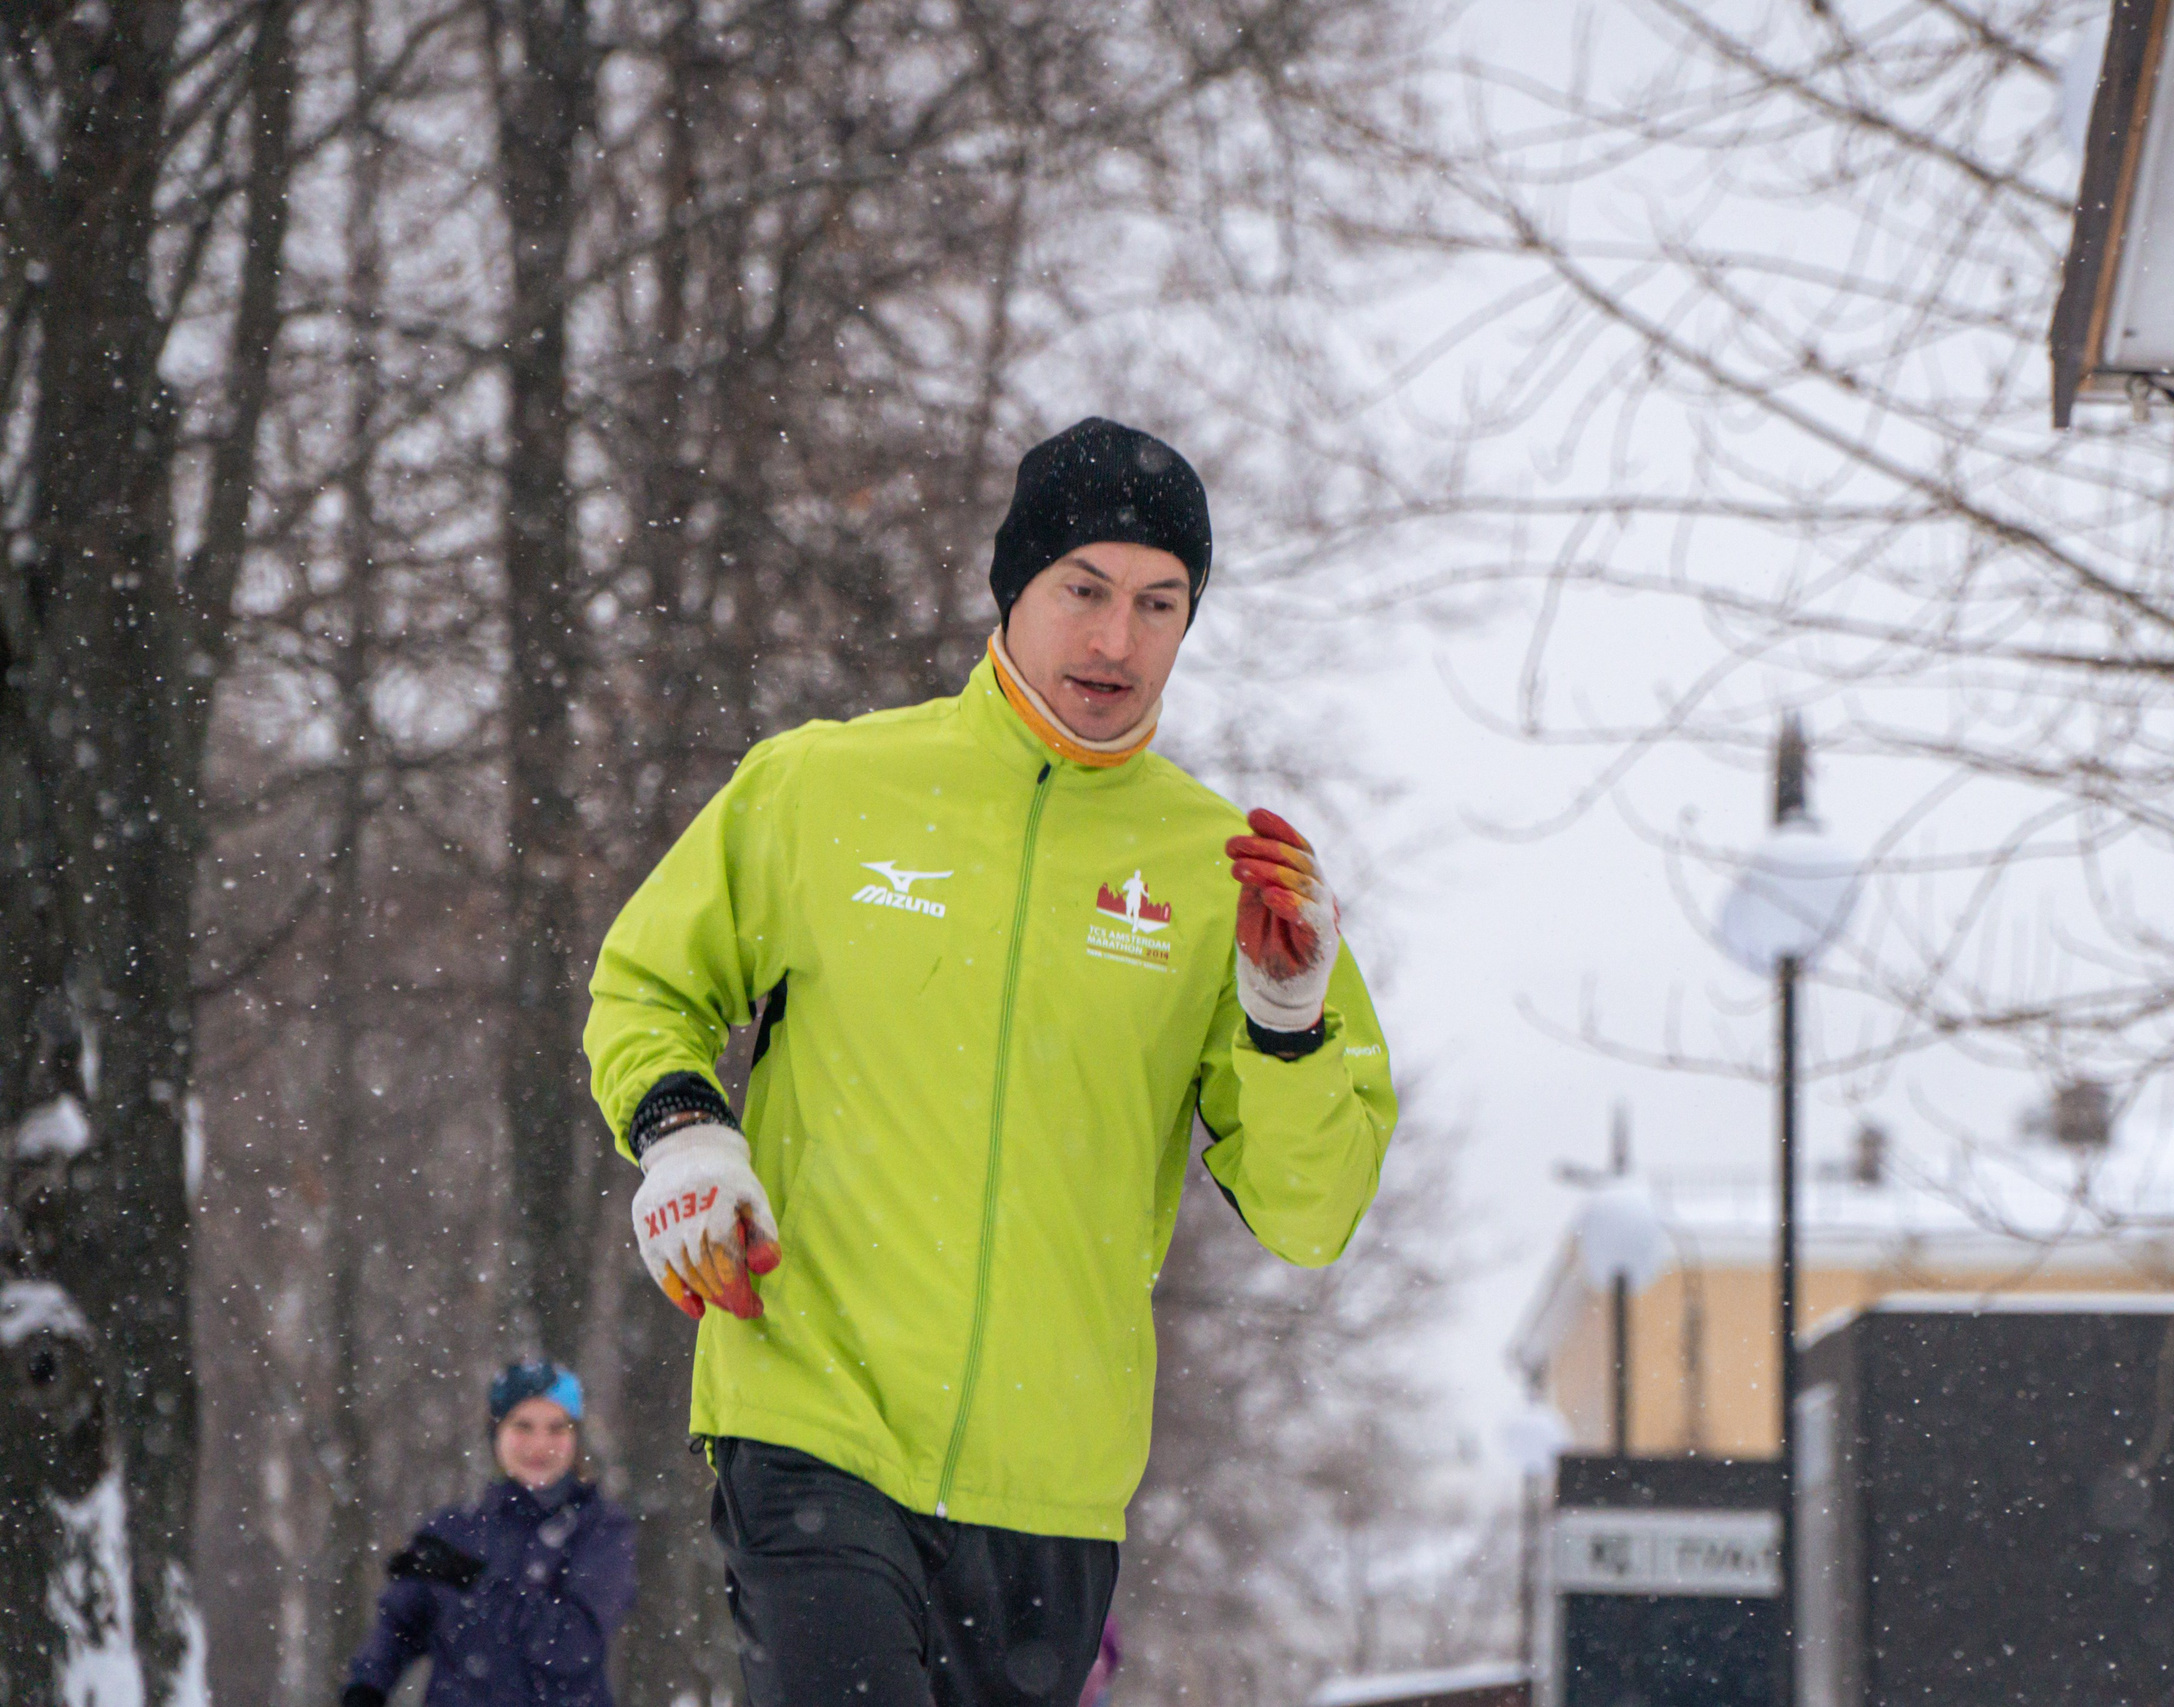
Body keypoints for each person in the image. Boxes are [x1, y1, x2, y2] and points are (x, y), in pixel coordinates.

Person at [585, 416, 1398, 1707]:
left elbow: (1313, 1212)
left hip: (1050, 1494)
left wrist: (1288, 1021)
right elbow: (648, 981)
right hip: (814, 1417)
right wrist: (684, 1127)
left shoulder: (1221, 873)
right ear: (1012, 587)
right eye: (1083, 589)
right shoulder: (823, 790)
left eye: (1158, 602)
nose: (1115, 641)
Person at [342, 1361, 637, 1707]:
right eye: (523, 1426)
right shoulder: (454, 1530)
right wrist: (365, 1689)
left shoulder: (601, 1528)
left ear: (576, 1436)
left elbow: (575, 1646)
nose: (539, 1444)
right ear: (496, 1431)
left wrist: (477, 1582)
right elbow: (398, 1627)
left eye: (557, 1428)